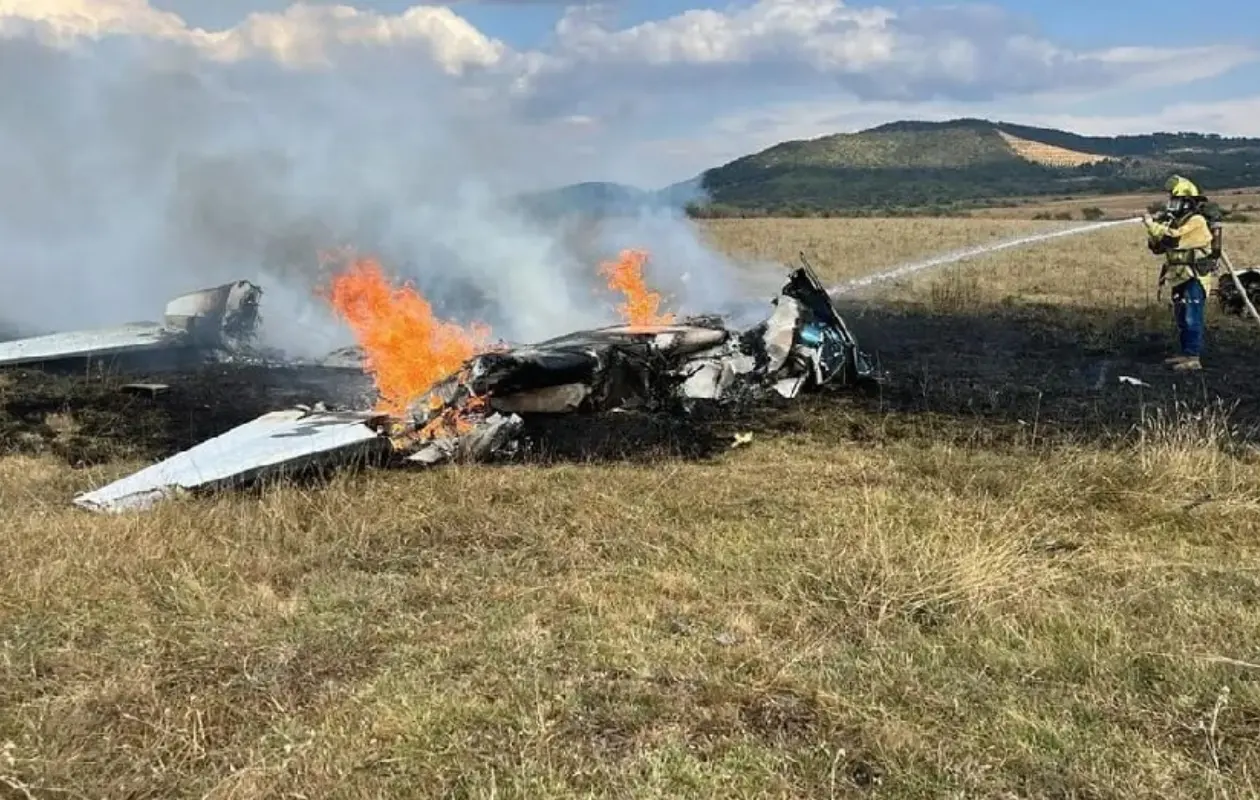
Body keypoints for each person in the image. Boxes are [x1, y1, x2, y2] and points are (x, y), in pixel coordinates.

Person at [1143, 174, 1218, 371]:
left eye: (1176, 200)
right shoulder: (1176, 221)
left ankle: (1193, 357)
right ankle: (1186, 353)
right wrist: (1154, 231)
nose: (1172, 204)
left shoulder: (1197, 221)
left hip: (1194, 276)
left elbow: (1174, 240)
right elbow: (1159, 247)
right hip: (1178, 276)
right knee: (1182, 316)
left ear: (1187, 202)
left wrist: (1153, 226)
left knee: (1192, 317)